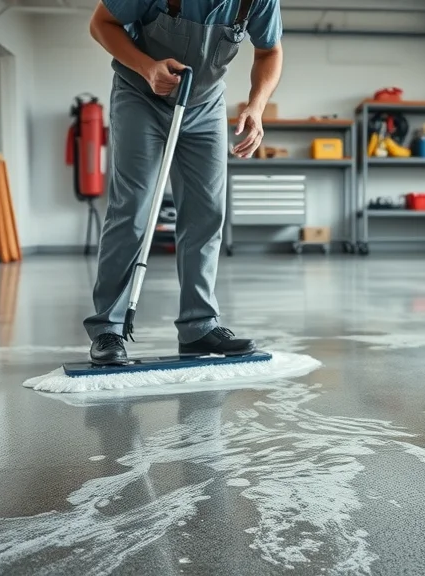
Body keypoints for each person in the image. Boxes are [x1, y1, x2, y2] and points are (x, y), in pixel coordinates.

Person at [84, 0, 283, 365]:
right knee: (133, 208)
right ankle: (108, 328)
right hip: (140, 95)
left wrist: (256, 106)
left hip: (205, 103)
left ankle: (199, 326)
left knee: (206, 212)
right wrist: (147, 67)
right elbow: (101, 24)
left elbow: (269, 51)